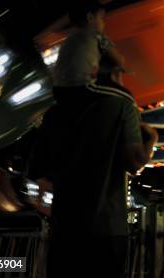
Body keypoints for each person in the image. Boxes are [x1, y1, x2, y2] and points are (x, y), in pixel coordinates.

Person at [40, 90, 156, 278]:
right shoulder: (122, 107)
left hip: (64, 228)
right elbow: (136, 163)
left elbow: (40, 168)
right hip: (106, 228)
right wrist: (152, 139)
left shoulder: (55, 112)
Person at [52, 0, 125, 105]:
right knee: (125, 96)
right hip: (82, 87)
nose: (103, 23)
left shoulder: (68, 39)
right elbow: (120, 60)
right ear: (90, 17)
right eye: (101, 18)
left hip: (58, 91)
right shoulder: (96, 35)